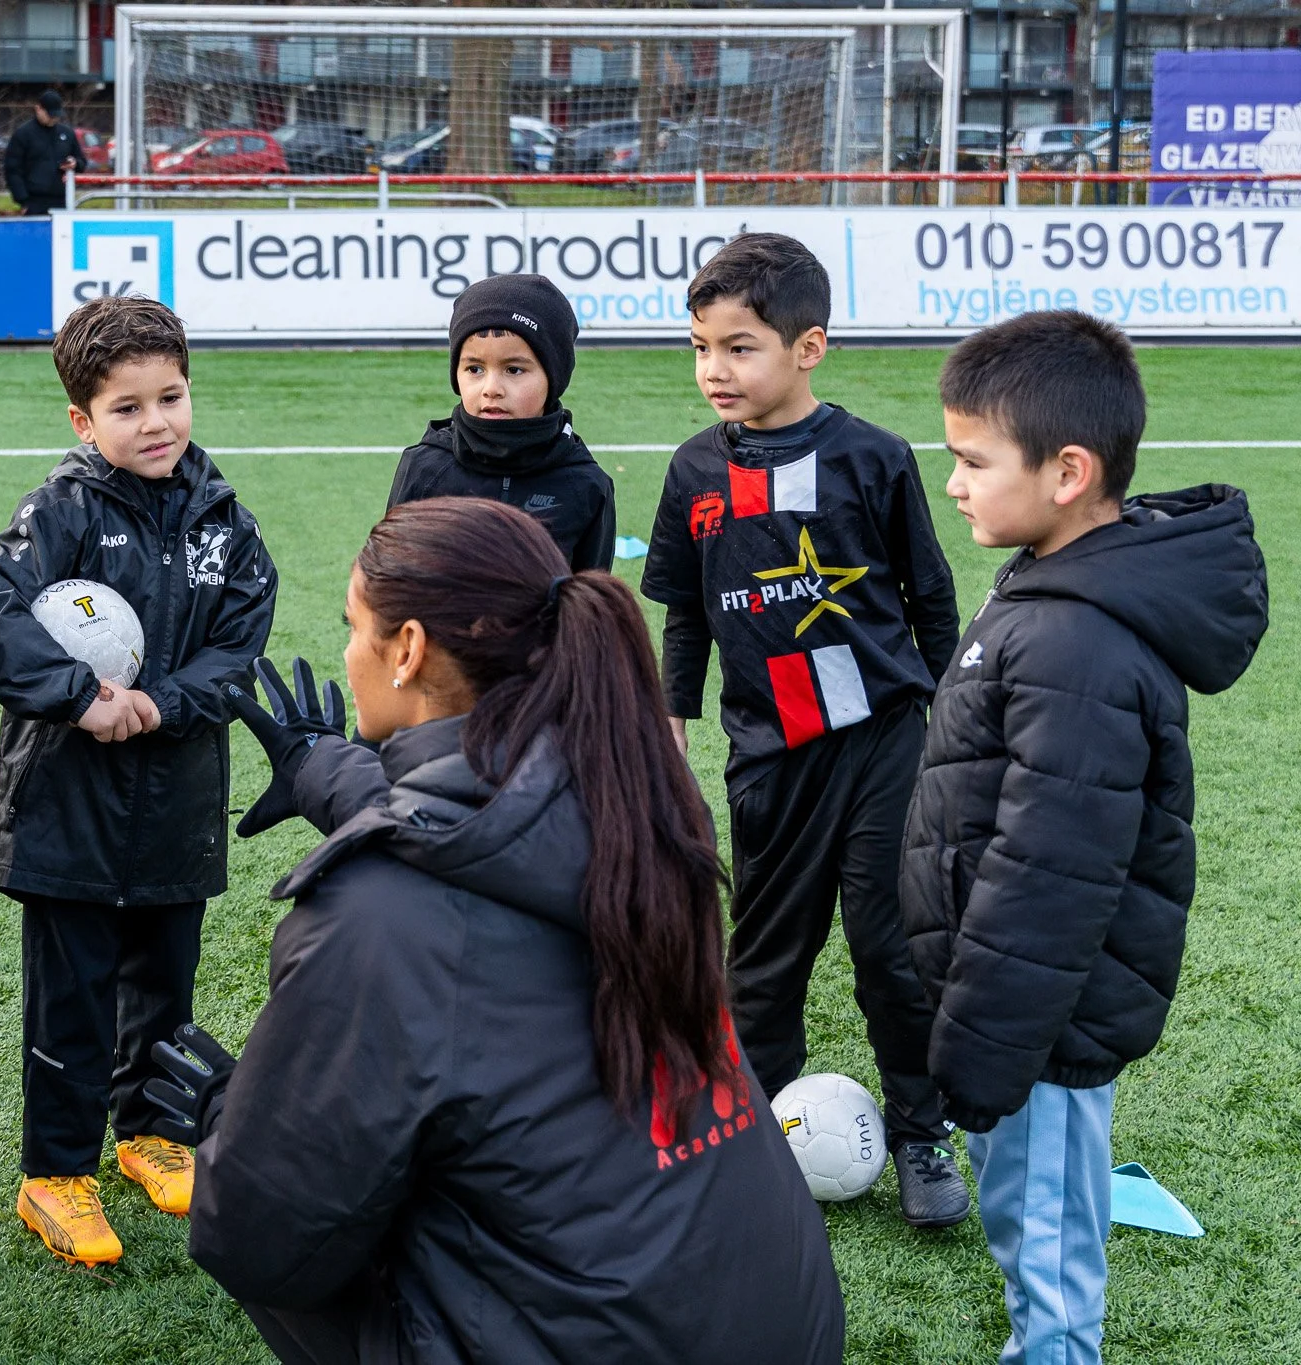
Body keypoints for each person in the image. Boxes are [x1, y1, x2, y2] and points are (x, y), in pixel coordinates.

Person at [158, 497, 843, 1365]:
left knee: (302, 1219)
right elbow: (485, 831)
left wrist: (232, 1119)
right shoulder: (639, 802)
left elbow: (258, 1237)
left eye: (353, 627)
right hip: (782, 1322)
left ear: (406, 650)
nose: (344, 651)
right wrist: (317, 765)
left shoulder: (372, 918)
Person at [904, 311, 1266, 1365]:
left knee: (1049, 1244)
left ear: (1065, 472)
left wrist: (985, 1045)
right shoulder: (1050, 584)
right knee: (1030, 1217)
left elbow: (1052, 873)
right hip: (1021, 1016)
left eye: (971, 460)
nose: (954, 483)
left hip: (1041, 1035)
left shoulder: (1075, 639)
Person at [638, 232, 969, 1229]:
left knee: (891, 950)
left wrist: (948, 718)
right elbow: (686, 615)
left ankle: (919, 1134)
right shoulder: (694, 471)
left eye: (738, 347)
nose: (713, 370)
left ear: (807, 347)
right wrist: (669, 730)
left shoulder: (871, 457)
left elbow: (932, 596)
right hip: (767, 759)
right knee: (765, 960)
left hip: (880, 745)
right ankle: (746, 1135)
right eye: (699, 347)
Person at [0, 294, 277, 1266]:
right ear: (81, 421)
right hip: (69, 808)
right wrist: (76, 695)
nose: (156, 422)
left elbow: (240, 640)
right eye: (127, 407)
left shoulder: (224, 519)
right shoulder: (57, 511)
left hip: (176, 802)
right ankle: (55, 1173)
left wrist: (165, 702)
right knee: (72, 1000)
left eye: (170, 397)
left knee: (162, 987)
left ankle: (149, 1134)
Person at [384, 273, 616, 572]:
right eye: (475, 369)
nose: (491, 388)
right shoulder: (424, 468)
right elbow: (387, 588)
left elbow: (590, 604)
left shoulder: (585, 485)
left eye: (514, 370)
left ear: (554, 376)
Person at [3, 88, 85, 216]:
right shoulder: (23, 134)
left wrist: (75, 164)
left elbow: (82, 161)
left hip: (62, 200)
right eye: (50, 115)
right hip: (34, 201)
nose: (54, 119)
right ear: (38, 109)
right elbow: (12, 170)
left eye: (56, 115)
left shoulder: (67, 133)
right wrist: (23, 201)